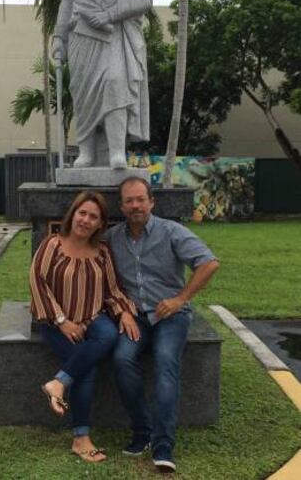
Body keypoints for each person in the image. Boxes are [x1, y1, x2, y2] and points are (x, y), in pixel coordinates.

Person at [104, 176, 219, 473]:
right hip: (135, 317)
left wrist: (181, 299)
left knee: (166, 361)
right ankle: (143, 432)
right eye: (129, 200)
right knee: (121, 358)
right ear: (122, 206)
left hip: (171, 316)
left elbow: (208, 263)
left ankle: (163, 444)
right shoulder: (113, 237)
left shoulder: (171, 231)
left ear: (151, 202)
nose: (135, 205)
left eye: (140, 199)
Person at [29, 190, 139, 463]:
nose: (86, 220)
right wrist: (62, 321)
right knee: (87, 370)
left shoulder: (102, 251)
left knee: (109, 336)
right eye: (82, 213)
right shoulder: (52, 244)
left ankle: (58, 383)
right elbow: (37, 283)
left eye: (93, 217)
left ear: (100, 224)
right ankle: (81, 438)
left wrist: (124, 311)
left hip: (93, 318)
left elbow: (112, 288)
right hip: (56, 322)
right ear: (73, 214)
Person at [52, 0, 152, 169]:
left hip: (116, 35)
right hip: (82, 36)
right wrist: (58, 38)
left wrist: (109, 15)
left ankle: (117, 151)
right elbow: (67, 1)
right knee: (83, 92)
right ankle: (87, 153)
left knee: (115, 83)